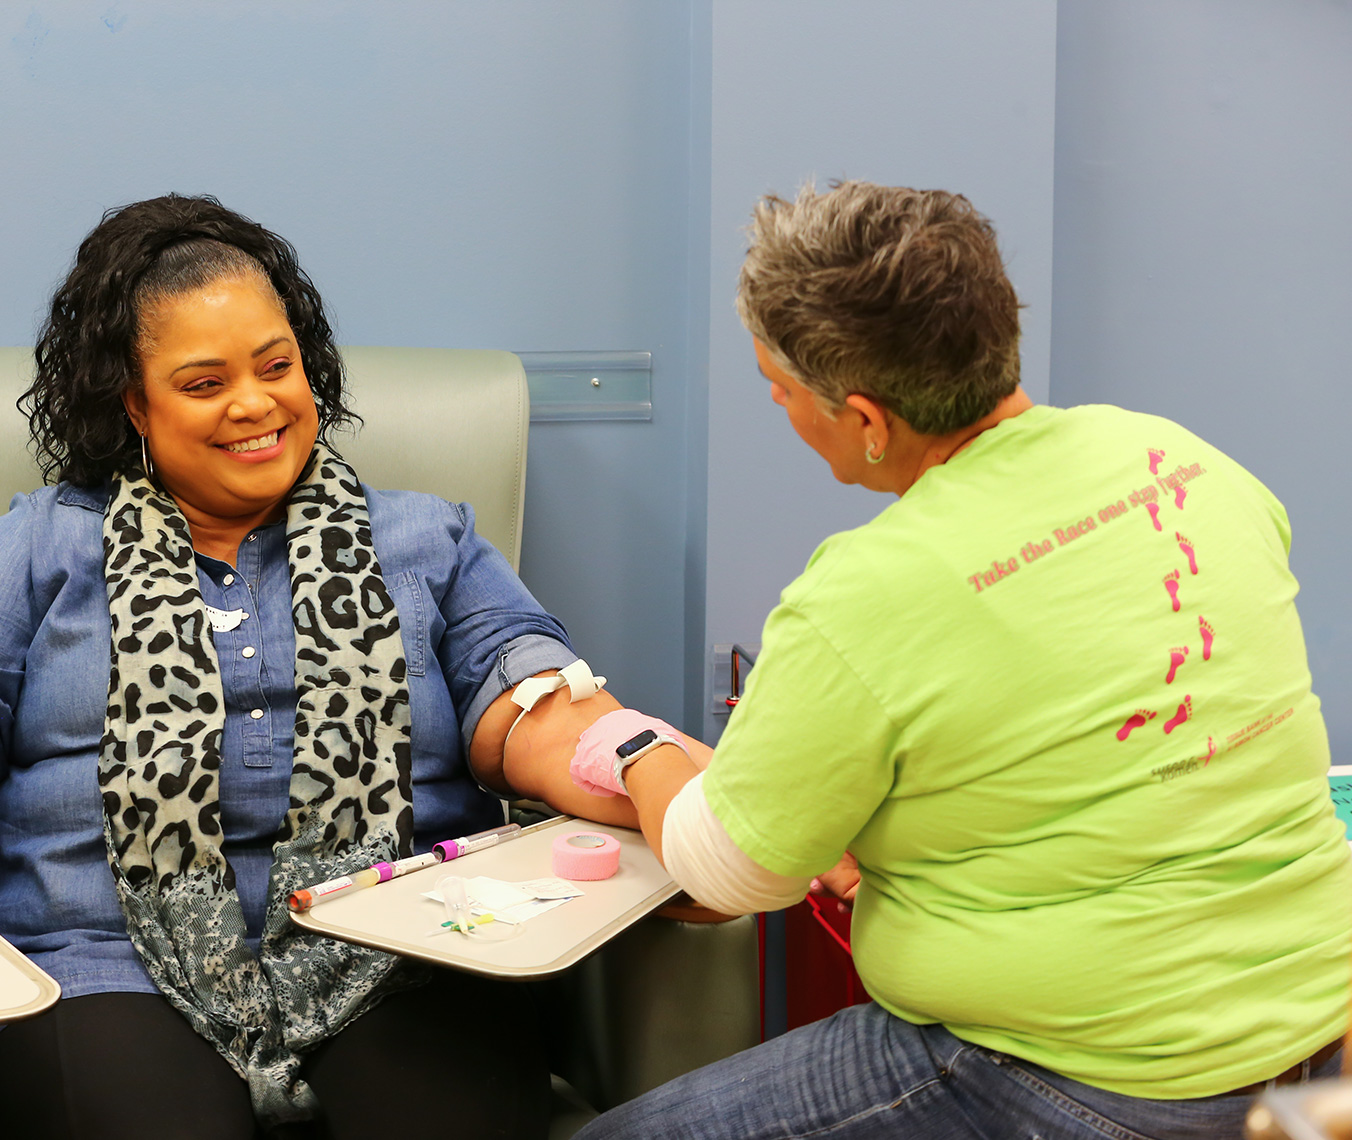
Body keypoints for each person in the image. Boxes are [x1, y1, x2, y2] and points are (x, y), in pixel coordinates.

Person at [0, 193, 673, 1140]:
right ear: (133, 406)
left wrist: (663, 780)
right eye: (203, 384)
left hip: (399, 951)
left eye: (274, 367)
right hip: (94, 968)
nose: (255, 405)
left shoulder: (423, 541)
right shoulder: (40, 549)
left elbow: (537, 705)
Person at [567, 181, 1352, 1140]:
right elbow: (1095, 738)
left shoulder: (866, 591)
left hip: (1098, 1077)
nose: (779, 409)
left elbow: (728, 876)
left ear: (865, 418)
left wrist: (636, 752)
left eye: (778, 389)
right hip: (1317, 1038)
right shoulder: (1185, 461)